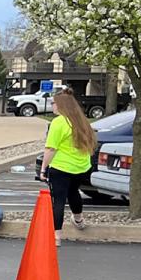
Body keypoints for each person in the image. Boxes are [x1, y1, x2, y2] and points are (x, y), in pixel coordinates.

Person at [36, 87, 96, 243]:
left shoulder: (58, 123)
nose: (52, 106)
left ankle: (57, 235)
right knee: (73, 192)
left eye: (54, 103)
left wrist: (43, 169)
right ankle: (78, 219)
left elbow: (51, 148)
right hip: (81, 167)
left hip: (61, 167)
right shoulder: (81, 121)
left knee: (58, 200)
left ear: (61, 105)